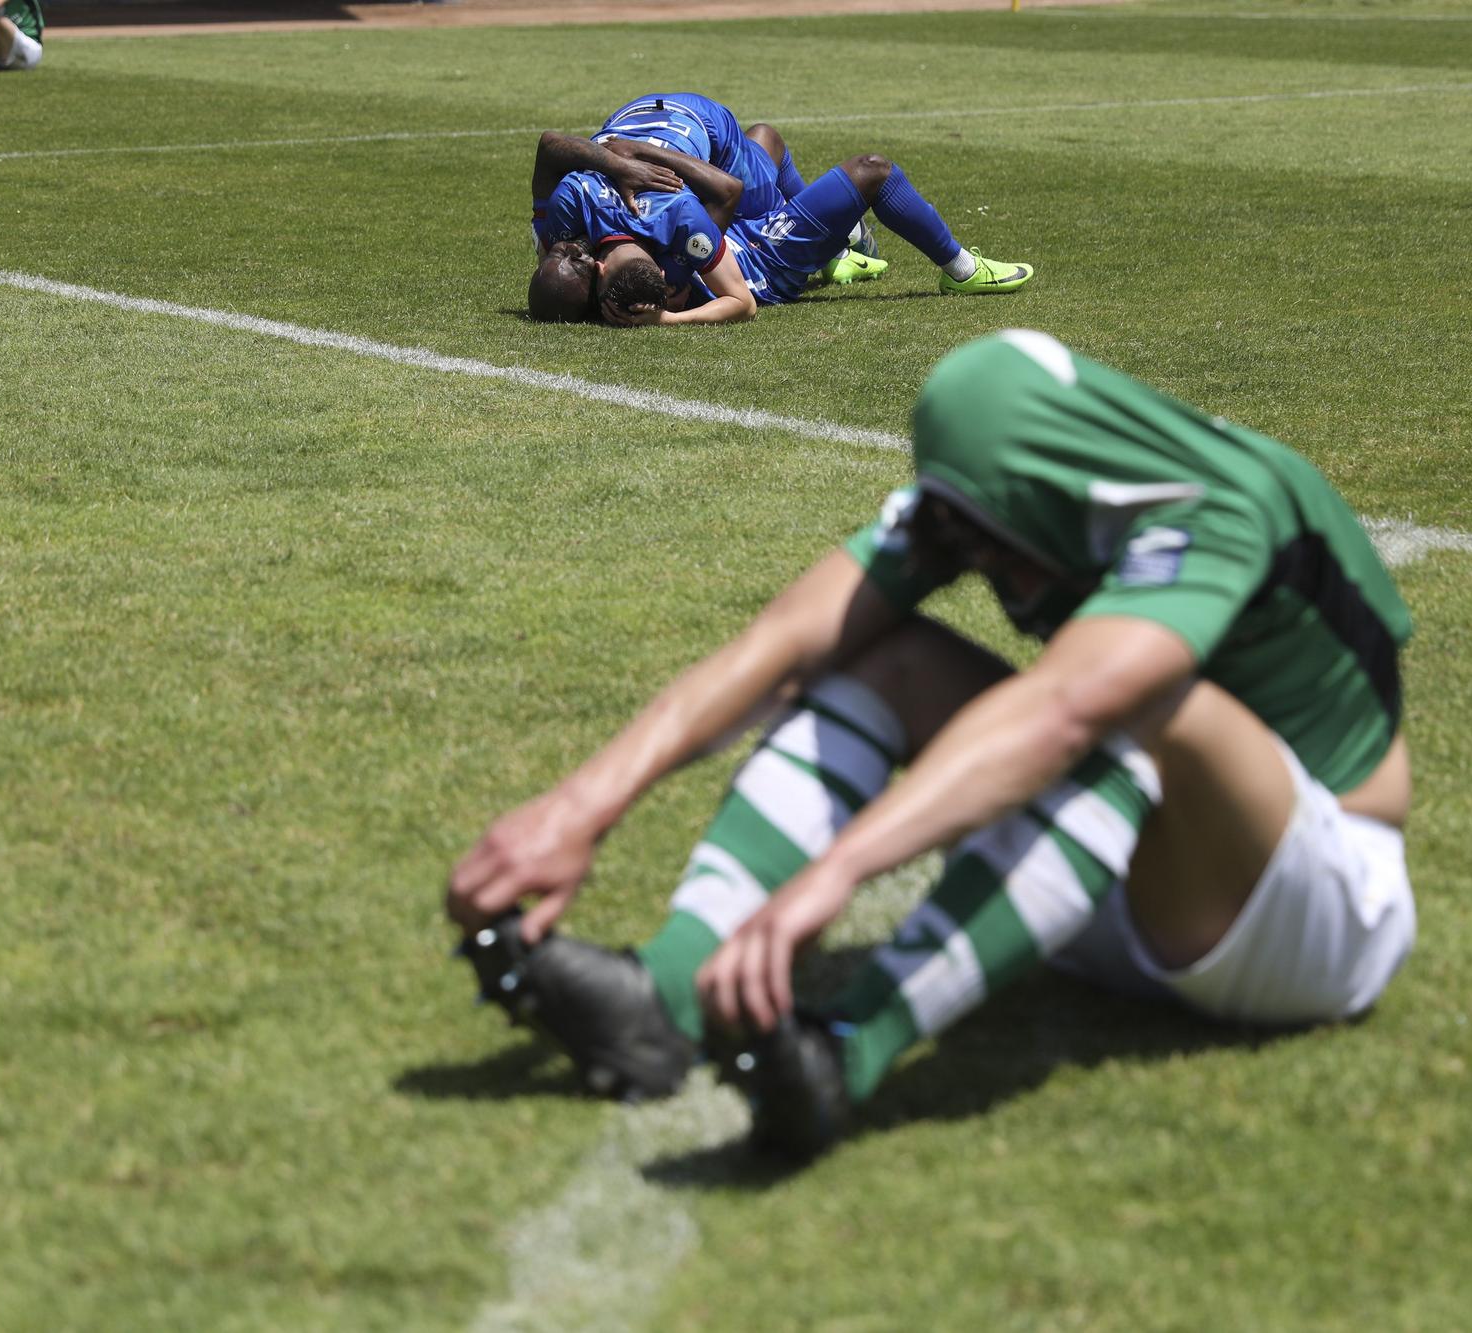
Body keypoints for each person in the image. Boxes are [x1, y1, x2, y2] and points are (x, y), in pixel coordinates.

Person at [448, 331, 1416, 1161]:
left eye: (999, 542)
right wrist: (580, 805)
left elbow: (1064, 710)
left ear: (1043, 484)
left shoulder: (1219, 502)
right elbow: (783, 642)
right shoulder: (1009, 483)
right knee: (893, 656)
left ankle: (844, 1048)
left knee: (1135, 699)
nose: (988, 566)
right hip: (1114, 881)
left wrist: (839, 872)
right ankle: (665, 999)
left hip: (1311, 913)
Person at [529, 150, 1034, 327]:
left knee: (764, 139)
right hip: (764, 260)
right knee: (873, 172)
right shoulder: (634, 289)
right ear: (594, 275)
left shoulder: (590, 261)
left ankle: (836, 249)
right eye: (570, 256)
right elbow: (740, 301)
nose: (566, 247)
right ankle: (963, 271)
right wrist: (669, 318)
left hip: (732, 236)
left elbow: (551, 150)